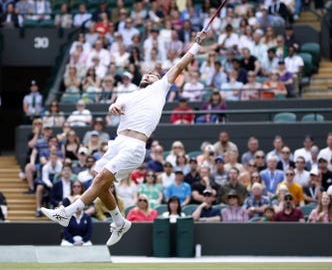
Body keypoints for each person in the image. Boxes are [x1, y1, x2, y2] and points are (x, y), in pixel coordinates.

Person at [41, 30, 208, 246]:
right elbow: (118, 104)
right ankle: (120, 222)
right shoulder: (127, 95)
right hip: (118, 142)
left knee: (100, 180)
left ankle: (67, 213)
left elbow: (178, 66)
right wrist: (114, 106)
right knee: (97, 182)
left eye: (153, 75)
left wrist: (196, 45)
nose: (149, 75)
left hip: (135, 145)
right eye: (146, 74)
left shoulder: (160, 89)